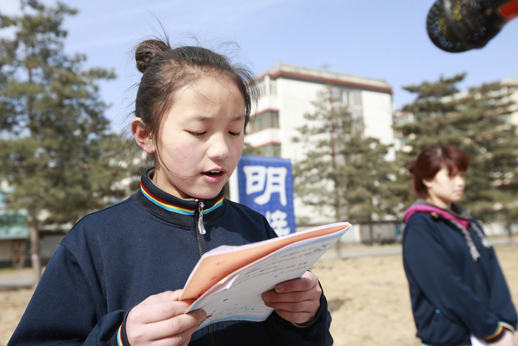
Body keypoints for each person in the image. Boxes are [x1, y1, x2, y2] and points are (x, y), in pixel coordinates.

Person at [8, 38, 333, 346]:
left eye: (235, 130)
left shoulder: (256, 228)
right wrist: (120, 339)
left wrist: (306, 317)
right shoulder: (94, 240)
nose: (222, 149)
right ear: (145, 135)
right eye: (199, 131)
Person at [402, 145, 517, 346]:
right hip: (452, 339)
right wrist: (492, 331)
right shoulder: (420, 226)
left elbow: (494, 274)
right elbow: (447, 288)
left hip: (490, 333)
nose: (460, 183)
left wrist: (505, 323)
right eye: (452, 176)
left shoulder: (469, 222)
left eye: (462, 175)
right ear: (428, 180)